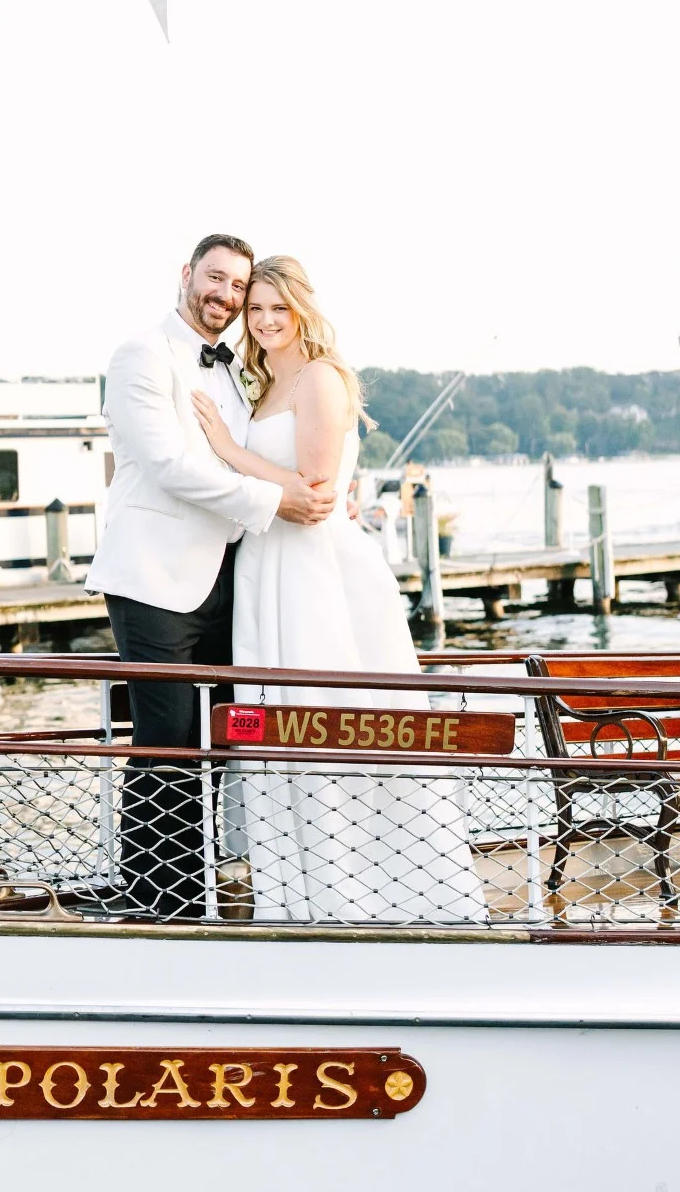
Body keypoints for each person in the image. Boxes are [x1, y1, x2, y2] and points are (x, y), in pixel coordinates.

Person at [191, 254, 486, 924]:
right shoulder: (261, 380)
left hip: (316, 570)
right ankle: (295, 894)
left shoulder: (320, 378)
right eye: (254, 309)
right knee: (276, 721)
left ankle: (362, 895)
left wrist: (225, 449)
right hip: (268, 564)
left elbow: (317, 490)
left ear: (302, 310)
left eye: (277, 308)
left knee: (329, 714)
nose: (265, 321)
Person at [87, 234, 337, 919]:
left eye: (238, 287)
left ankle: (192, 883)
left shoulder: (235, 370)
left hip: (231, 582)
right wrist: (276, 500)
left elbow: (246, 454)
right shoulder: (141, 356)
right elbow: (170, 466)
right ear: (186, 275)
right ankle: (159, 899)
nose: (226, 297)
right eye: (216, 279)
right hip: (155, 580)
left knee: (221, 743)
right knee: (164, 744)